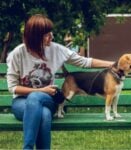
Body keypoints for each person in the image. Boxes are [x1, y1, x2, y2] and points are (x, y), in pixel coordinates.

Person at [6, 14, 114, 150]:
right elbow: (13, 88)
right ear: (34, 36)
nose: (51, 36)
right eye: (46, 34)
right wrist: (40, 90)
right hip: (21, 103)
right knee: (44, 115)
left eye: (51, 32)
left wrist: (114, 64)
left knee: (37, 99)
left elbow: (85, 62)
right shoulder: (18, 54)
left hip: (48, 99)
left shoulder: (56, 49)